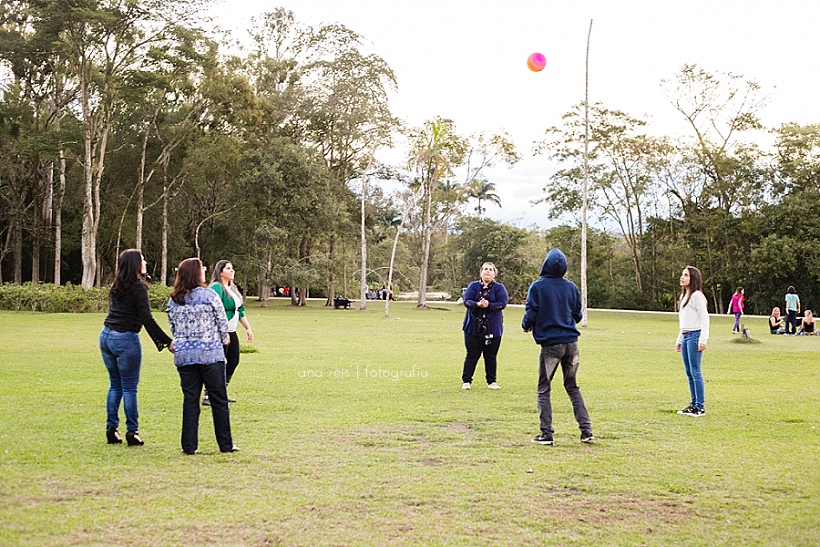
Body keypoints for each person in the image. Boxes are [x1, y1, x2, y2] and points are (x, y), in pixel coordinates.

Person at [99, 249, 173, 446]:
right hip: (125, 338)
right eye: (142, 259)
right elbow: (146, 318)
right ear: (134, 264)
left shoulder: (116, 285)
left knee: (115, 385)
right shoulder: (138, 288)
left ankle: (111, 429)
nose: (145, 262)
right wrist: (167, 342)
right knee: (129, 388)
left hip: (106, 336)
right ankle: (132, 431)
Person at [166, 258, 239, 455]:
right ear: (196, 273)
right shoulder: (208, 295)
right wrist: (224, 339)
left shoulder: (174, 299)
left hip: (185, 356)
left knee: (190, 400)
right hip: (210, 354)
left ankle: (189, 445)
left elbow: (172, 325)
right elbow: (221, 321)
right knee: (219, 399)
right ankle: (225, 444)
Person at [522, 249, 594, 445]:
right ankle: (586, 430)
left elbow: (531, 312)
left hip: (551, 346)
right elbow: (577, 315)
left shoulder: (538, 287)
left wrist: (526, 326)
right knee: (572, 387)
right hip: (572, 343)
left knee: (544, 388)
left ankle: (546, 433)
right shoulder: (571, 287)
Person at [205, 260, 254, 406]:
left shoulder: (233, 289)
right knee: (217, 363)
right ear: (220, 272)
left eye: (232, 268)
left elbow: (240, 310)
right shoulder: (216, 287)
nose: (232, 271)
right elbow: (210, 308)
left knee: (233, 361)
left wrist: (248, 328)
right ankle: (208, 395)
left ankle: (221, 392)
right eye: (228, 268)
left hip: (231, 331)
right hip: (219, 332)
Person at [461, 262, 508, 390]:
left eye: (490, 269)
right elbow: (467, 301)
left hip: (493, 327)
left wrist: (489, 305)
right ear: (481, 272)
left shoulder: (499, 288)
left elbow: (502, 303)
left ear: (494, 273)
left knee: (491, 355)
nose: (488, 271)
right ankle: (466, 381)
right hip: (472, 327)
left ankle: (492, 381)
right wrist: (478, 304)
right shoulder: (473, 286)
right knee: (472, 354)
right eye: (485, 269)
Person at [675, 266, 710, 417]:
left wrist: (703, 339)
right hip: (686, 336)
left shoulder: (697, 296)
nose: (682, 277)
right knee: (689, 372)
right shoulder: (684, 297)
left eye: (686, 275)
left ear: (693, 278)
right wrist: (679, 339)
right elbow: (684, 321)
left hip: (695, 335)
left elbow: (704, 318)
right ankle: (693, 403)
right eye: (682, 275)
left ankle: (699, 406)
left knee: (695, 371)